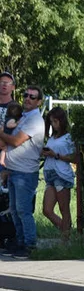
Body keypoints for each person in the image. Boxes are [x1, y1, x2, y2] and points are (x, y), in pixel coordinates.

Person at [0, 85, 45, 259]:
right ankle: (19, 242)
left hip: (25, 173)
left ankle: (29, 245)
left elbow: (16, 141)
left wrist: (1, 133)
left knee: (23, 211)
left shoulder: (35, 120)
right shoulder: (23, 117)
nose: (27, 98)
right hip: (13, 170)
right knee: (14, 209)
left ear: (39, 101)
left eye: (32, 97)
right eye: (26, 95)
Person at [41, 106, 77, 242]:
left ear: (62, 121)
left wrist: (55, 155)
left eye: (55, 122)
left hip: (61, 175)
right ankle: (66, 229)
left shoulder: (68, 137)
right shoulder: (52, 137)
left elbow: (74, 158)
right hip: (50, 174)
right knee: (47, 210)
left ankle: (65, 238)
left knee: (64, 208)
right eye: (51, 122)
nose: (53, 125)